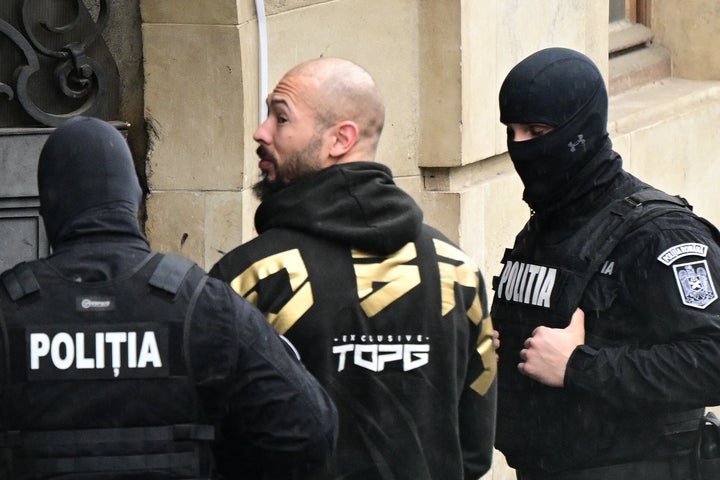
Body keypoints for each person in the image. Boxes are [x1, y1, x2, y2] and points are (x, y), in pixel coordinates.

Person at [0, 116, 338, 479]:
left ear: (49, 208)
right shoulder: (204, 305)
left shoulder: (8, 309)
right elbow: (309, 430)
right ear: (132, 198)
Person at [209, 57, 497, 480]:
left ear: (339, 139)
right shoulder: (456, 270)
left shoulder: (250, 278)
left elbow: (212, 439)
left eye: (280, 117)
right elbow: (473, 448)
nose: (261, 132)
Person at [491, 47, 720, 480]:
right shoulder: (548, 226)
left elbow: (712, 359)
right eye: (513, 131)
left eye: (537, 130)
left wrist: (581, 367)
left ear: (581, 130)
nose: (521, 146)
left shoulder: (660, 233)